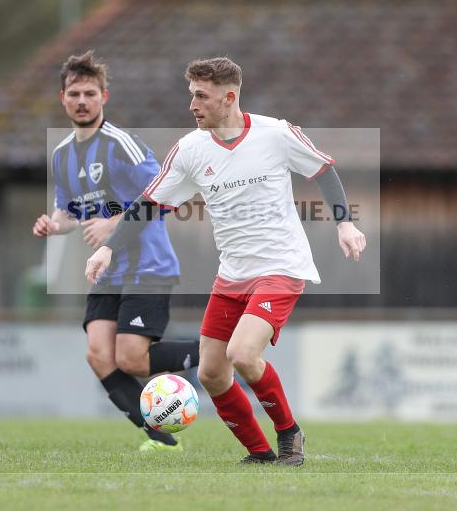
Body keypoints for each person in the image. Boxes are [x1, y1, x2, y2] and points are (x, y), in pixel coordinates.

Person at [86, 57, 366, 465]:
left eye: (201, 96)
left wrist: (344, 224)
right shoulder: (189, 150)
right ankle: (260, 455)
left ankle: (289, 433)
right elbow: (150, 203)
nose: (192, 104)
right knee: (211, 374)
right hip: (232, 275)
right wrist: (108, 246)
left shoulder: (276, 133)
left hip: (280, 268)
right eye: (191, 95)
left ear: (229, 97)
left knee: (244, 355)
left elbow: (323, 170)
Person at [33, 51, 199, 452]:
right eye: (74, 93)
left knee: (131, 358)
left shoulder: (122, 144)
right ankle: (160, 439)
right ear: (63, 98)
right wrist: (55, 224)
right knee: (98, 355)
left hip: (147, 266)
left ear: (104, 97)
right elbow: (70, 210)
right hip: (105, 272)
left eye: (90, 93)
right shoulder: (62, 155)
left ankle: (216, 351)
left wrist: (115, 222)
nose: (82, 101)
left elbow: (163, 194)